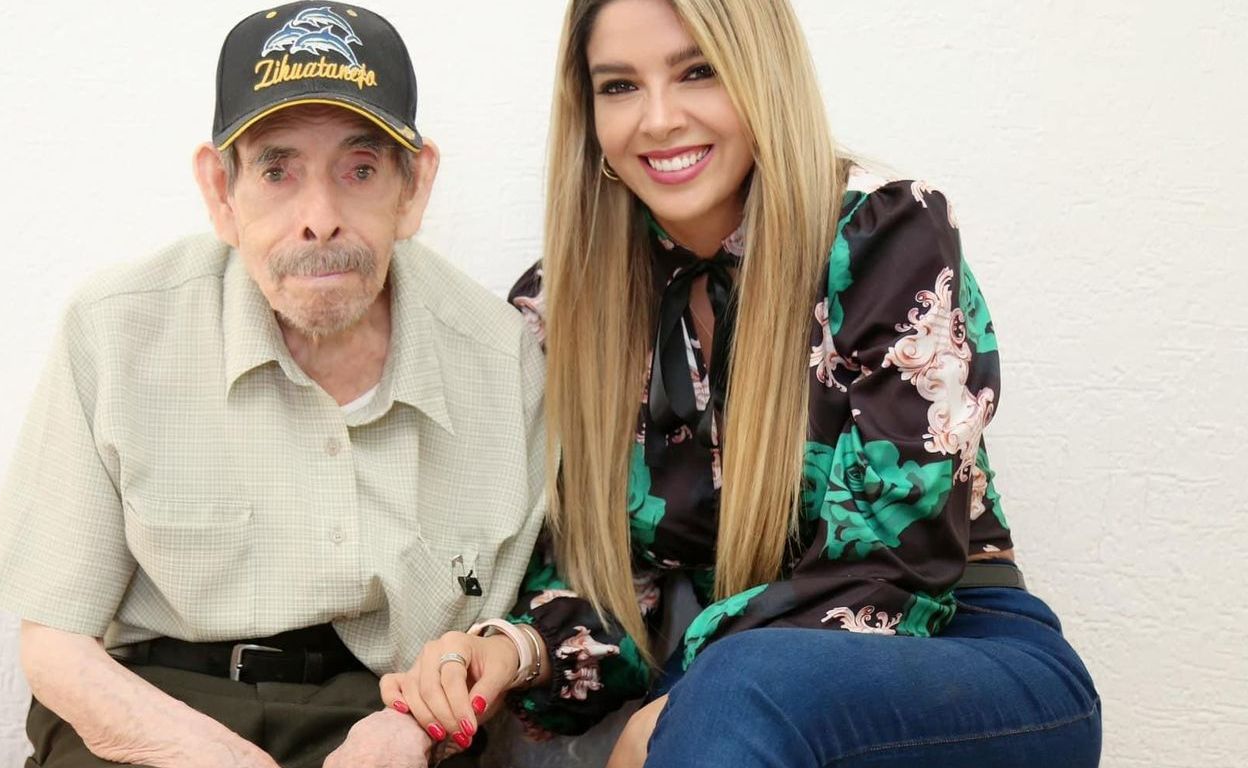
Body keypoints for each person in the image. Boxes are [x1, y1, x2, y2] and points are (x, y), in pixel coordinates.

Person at [382, 0, 1102, 765]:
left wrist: (685, 697)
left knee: (735, 689)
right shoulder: (566, 307)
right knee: (726, 692)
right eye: (620, 86)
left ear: (762, 74)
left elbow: (895, 565)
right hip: (730, 700)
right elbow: (615, 591)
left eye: (699, 72)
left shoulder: (885, 231)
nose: (659, 119)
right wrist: (513, 650)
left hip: (962, 653)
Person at [0, 4, 546, 766]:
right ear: (221, 190)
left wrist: (416, 729)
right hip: (154, 707)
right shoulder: (115, 330)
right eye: (277, 171)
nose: (320, 219)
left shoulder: (502, 360)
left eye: (360, 170)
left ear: (413, 187)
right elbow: (53, 645)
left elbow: (510, 638)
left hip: (386, 718)